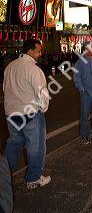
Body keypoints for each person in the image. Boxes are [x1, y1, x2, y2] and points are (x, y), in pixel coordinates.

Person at [3, 39, 50, 189]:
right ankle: (34, 178)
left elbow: (5, 88)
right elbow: (42, 92)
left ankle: (3, 175)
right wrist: (43, 108)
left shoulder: (10, 66)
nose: (40, 53)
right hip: (29, 113)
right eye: (38, 51)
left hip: (11, 113)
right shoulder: (33, 69)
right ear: (30, 51)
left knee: (14, 142)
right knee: (36, 146)